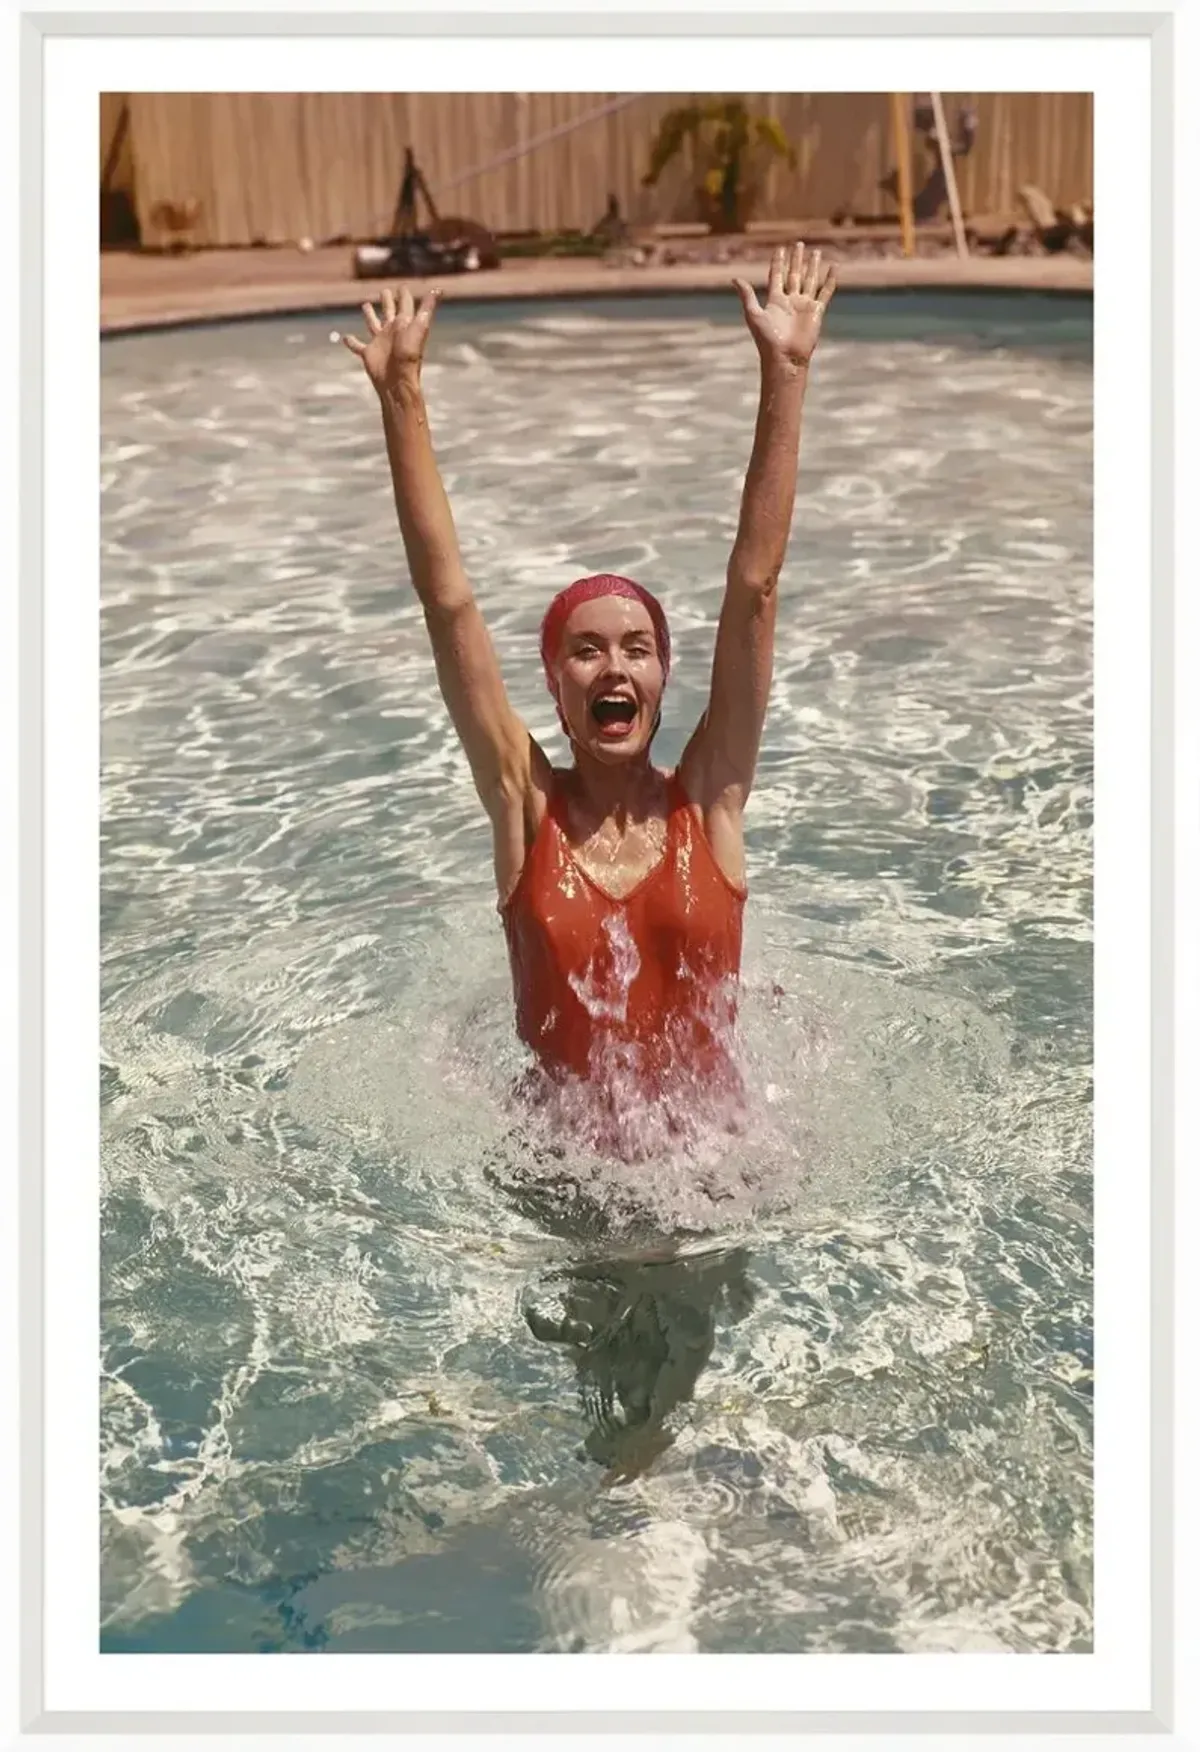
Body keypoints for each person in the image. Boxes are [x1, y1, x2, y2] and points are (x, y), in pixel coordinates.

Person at [342, 243, 836, 1143]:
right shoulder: (522, 805)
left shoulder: (709, 798)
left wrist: (789, 373)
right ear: (555, 688)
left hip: (722, 1178)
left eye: (637, 649)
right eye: (586, 652)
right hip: (559, 1193)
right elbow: (448, 600)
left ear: (661, 678)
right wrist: (401, 396)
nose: (614, 667)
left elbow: (755, 586)